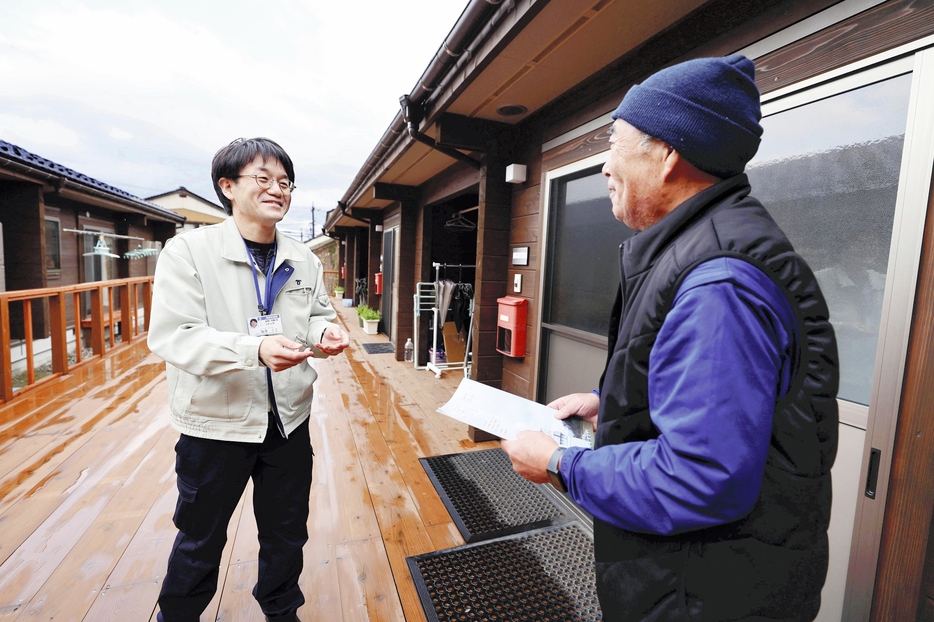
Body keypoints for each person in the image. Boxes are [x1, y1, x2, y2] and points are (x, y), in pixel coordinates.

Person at [501, 56, 839, 621]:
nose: (605, 167)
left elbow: (701, 476)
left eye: (615, 141)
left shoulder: (719, 281)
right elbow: (720, 411)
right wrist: (608, 403)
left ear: (668, 154)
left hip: (704, 595)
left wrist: (561, 464)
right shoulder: (707, 248)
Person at [148, 137, 350, 622]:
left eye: (284, 182)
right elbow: (175, 336)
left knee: (286, 533)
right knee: (200, 537)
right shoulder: (187, 252)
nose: (277, 189)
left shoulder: (304, 258)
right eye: (262, 178)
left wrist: (327, 333)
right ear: (228, 187)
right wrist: (253, 349)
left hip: (288, 422)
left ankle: (282, 612)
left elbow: (317, 315)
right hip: (215, 425)